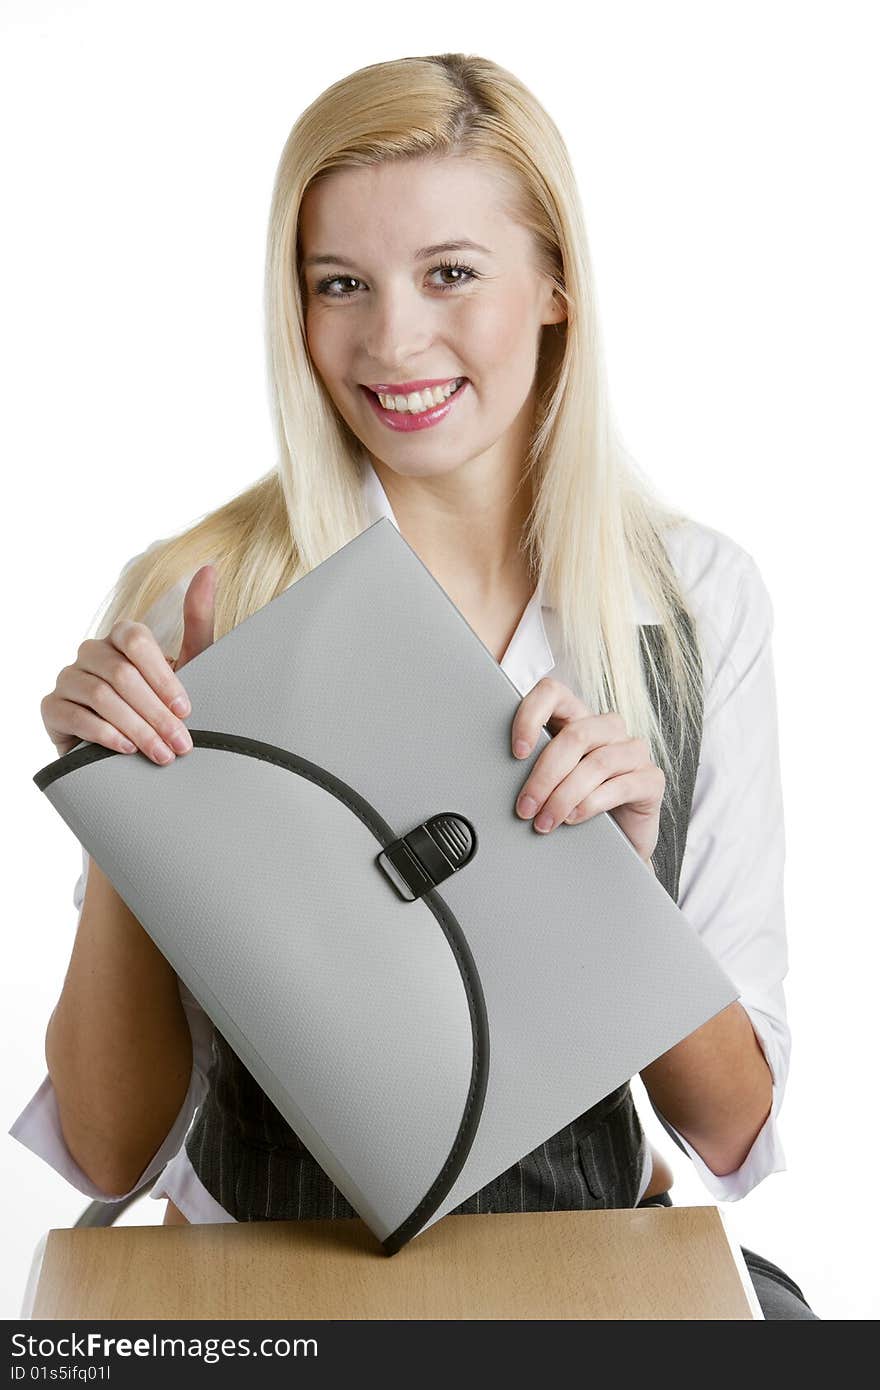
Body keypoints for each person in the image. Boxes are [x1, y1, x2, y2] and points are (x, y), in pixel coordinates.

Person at [10, 52, 817, 1318]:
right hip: (256, 1280)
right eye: (341, 285)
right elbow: (110, 1150)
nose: (391, 341)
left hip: (587, 1260)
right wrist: (127, 816)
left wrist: (610, 901)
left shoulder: (700, 603)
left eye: (449, 273)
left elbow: (727, 1129)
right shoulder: (199, 596)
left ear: (555, 285)